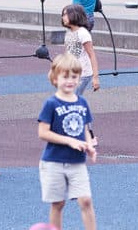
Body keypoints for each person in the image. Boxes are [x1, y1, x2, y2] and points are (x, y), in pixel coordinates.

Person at [38, 53, 97, 230]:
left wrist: (89, 145)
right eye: (65, 76)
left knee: (86, 200)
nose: (70, 81)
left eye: (74, 76)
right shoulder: (51, 103)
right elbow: (43, 133)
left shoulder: (82, 102)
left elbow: (84, 128)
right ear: (55, 79)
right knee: (58, 204)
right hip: (54, 161)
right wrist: (69, 141)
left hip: (77, 162)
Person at [61, 4, 99, 96]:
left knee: (73, 98)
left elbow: (92, 55)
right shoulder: (69, 32)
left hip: (83, 73)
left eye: (66, 14)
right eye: (63, 15)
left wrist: (95, 77)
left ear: (74, 15)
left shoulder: (83, 33)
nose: (63, 17)